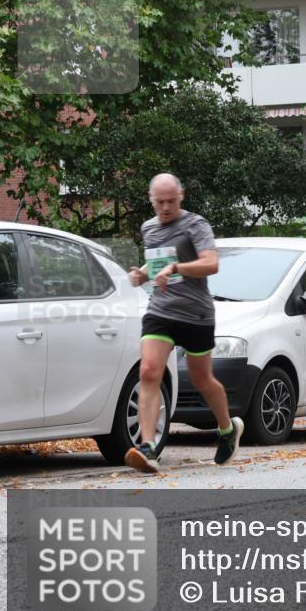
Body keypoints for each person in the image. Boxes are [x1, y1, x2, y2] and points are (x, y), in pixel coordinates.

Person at [125, 173, 242, 472]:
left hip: (195, 313)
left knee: (202, 380)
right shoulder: (148, 228)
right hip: (161, 310)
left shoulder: (195, 224)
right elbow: (158, 264)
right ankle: (148, 447)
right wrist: (142, 274)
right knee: (149, 371)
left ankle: (227, 429)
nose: (166, 208)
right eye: (160, 202)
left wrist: (177, 267)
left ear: (181, 196)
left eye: (171, 201)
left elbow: (211, 264)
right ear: (151, 200)